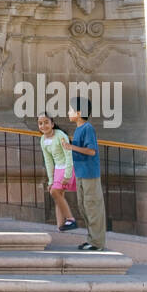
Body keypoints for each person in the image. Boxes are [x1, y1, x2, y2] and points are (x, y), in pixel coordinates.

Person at [63, 97, 107, 251]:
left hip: (90, 174)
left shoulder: (87, 128)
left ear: (79, 112)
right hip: (81, 174)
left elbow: (91, 150)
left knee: (92, 207)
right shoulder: (79, 129)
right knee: (84, 207)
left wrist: (71, 147)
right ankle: (92, 239)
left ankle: (97, 242)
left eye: (70, 109)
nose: (68, 112)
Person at [37, 113, 77, 232]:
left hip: (67, 167)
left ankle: (71, 219)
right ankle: (60, 227)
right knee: (58, 197)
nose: (43, 125)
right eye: (40, 123)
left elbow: (69, 155)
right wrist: (50, 180)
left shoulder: (60, 136)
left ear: (52, 124)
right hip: (58, 169)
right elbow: (48, 161)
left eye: (46, 122)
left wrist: (67, 175)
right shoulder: (43, 140)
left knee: (54, 192)